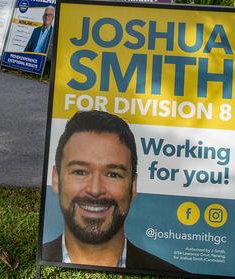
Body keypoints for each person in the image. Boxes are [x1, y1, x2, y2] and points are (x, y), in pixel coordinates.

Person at [43, 111, 181, 273]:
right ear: (56, 179)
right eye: (80, 172)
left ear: (133, 185)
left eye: (113, 174)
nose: (95, 190)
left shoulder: (169, 272)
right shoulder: (39, 258)